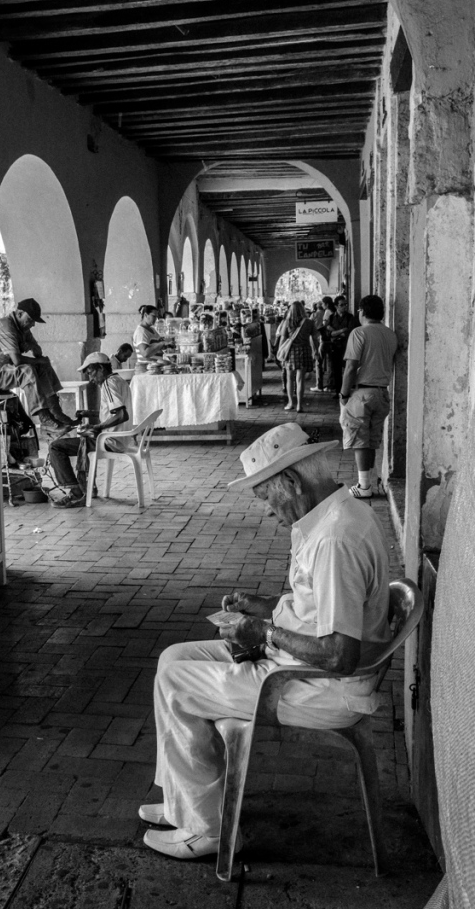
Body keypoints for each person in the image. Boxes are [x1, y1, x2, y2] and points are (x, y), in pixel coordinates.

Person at [141, 423, 391, 860]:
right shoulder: (332, 515)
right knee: (172, 658)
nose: (267, 511)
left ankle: (210, 829)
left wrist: (265, 632)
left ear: (292, 483)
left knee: (175, 684)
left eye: (265, 497)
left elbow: (339, 655)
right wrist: (266, 606)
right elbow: (320, 610)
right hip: (300, 664)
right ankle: (187, 800)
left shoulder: (334, 539)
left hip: (321, 687)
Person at [48, 352, 133, 507]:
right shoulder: (119, 380)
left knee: (56, 447)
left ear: (101, 368)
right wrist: (90, 414)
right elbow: (113, 413)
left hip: (111, 441)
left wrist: (96, 427)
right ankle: (89, 487)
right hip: (123, 439)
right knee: (84, 440)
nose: (91, 379)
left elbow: (121, 414)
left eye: (91, 373)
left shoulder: (108, 383)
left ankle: (76, 493)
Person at [0, 298, 75, 436]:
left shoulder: (21, 327)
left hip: (5, 370)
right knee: (26, 371)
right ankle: (45, 420)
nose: (32, 324)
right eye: (30, 320)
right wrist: (37, 359)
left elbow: (38, 352)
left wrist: (33, 347)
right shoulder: (6, 326)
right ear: (19, 313)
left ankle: (56, 412)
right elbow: (17, 361)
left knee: (43, 366)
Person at [339, 294, 398, 499]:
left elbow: (350, 367)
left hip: (362, 393)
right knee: (371, 441)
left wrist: (344, 394)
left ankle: (364, 486)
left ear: (362, 312)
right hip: (382, 392)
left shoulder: (359, 333)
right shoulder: (390, 334)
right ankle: (367, 483)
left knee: (360, 441)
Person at [279, 301, 315, 413]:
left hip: (291, 352)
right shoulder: (309, 322)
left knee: (290, 379)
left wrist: (280, 353)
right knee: (300, 380)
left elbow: (283, 339)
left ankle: (290, 403)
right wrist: (316, 351)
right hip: (304, 350)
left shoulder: (287, 322)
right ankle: (300, 405)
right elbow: (315, 337)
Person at [325, 295, 356, 397]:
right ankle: (338, 391)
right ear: (336, 306)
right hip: (335, 347)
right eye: (341, 305)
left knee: (348, 368)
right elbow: (328, 334)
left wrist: (334, 331)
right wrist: (342, 330)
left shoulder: (350, 317)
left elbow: (349, 332)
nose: (344, 307)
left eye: (345, 304)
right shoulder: (331, 317)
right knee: (336, 370)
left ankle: (346, 390)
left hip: (347, 346)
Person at [132, 305, 171, 370]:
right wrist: (162, 343)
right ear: (146, 315)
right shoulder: (141, 331)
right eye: (154, 316)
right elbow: (145, 353)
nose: (156, 319)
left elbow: (157, 346)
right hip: (147, 370)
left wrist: (168, 344)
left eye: (156, 317)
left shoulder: (152, 329)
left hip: (155, 368)